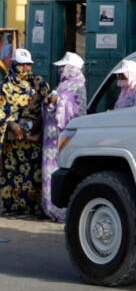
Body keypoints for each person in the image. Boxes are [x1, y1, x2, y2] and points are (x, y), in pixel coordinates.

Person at [1, 49, 50, 216]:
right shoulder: (5, 86)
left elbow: (47, 107)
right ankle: (12, 207)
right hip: (14, 141)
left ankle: (34, 208)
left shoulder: (39, 84)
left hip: (33, 138)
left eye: (28, 64)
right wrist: (12, 124)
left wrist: (37, 128)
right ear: (14, 65)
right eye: (21, 65)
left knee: (33, 174)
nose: (25, 68)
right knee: (13, 174)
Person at [42, 52, 86, 221]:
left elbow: (78, 111)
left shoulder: (78, 86)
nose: (60, 70)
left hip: (63, 137)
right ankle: (49, 208)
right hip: (51, 137)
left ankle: (61, 211)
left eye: (63, 67)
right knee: (49, 171)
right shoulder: (63, 85)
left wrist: (58, 100)